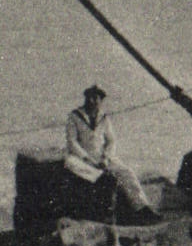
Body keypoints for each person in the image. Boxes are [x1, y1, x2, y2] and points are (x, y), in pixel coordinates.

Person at [64, 85, 156, 220]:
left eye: (96, 99)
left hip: (101, 157)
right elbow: (72, 142)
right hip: (81, 157)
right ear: (86, 99)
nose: (92, 101)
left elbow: (111, 141)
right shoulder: (74, 116)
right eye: (90, 98)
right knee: (78, 168)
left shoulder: (104, 118)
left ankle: (141, 207)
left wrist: (106, 157)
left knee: (127, 172)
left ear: (101, 101)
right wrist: (86, 158)